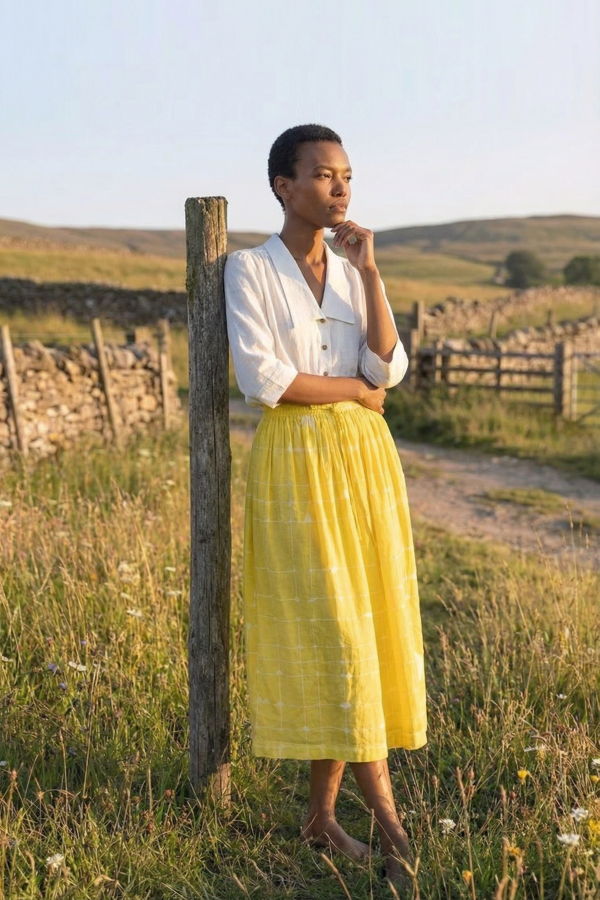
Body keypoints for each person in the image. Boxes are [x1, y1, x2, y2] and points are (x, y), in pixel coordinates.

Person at [224, 123, 427, 885]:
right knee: (333, 629)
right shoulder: (248, 269)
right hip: (299, 462)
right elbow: (267, 380)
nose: (339, 187)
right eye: (321, 174)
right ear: (283, 184)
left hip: (367, 465)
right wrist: (357, 394)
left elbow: (389, 366)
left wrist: (370, 275)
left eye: (346, 174)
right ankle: (386, 813)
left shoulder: (351, 269)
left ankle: (319, 817)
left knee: (365, 626)